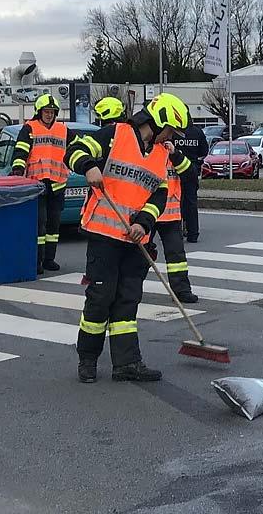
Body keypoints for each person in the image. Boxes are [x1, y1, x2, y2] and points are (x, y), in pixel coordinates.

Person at [65, 93, 188, 383]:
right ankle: (88, 360)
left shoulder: (160, 153)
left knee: (128, 301)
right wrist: (88, 166)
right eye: (171, 131)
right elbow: (75, 150)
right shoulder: (114, 135)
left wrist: (144, 223)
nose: (171, 138)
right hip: (105, 235)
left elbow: (159, 194)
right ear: (159, 122)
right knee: (100, 299)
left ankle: (127, 363)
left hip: (135, 240)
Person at [12, 94, 69, 273]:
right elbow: (21, 151)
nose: (49, 115)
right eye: (46, 111)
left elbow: (77, 148)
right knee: (39, 224)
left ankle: (49, 259)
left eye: (52, 112)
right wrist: (18, 170)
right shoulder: (30, 128)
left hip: (57, 184)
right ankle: (36, 261)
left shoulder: (63, 129)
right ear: (39, 112)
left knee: (53, 225)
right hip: (36, 185)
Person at [156, 139, 198, 304]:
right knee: (138, 256)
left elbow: (191, 175)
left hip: (171, 215)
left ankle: (182, 290)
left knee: (177, 258)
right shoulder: (145, 152)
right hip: (147, 213)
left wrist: (175, 154)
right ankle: (129, 290)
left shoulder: (174, 154)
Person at [173, 121, 207, 242]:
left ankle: (175, 232)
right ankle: (193, 233)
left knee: (174, 202)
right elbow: (204, 151)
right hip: (192, 170)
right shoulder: (197, 132)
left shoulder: (173, 131)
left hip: (174, 171)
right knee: (191, 203)